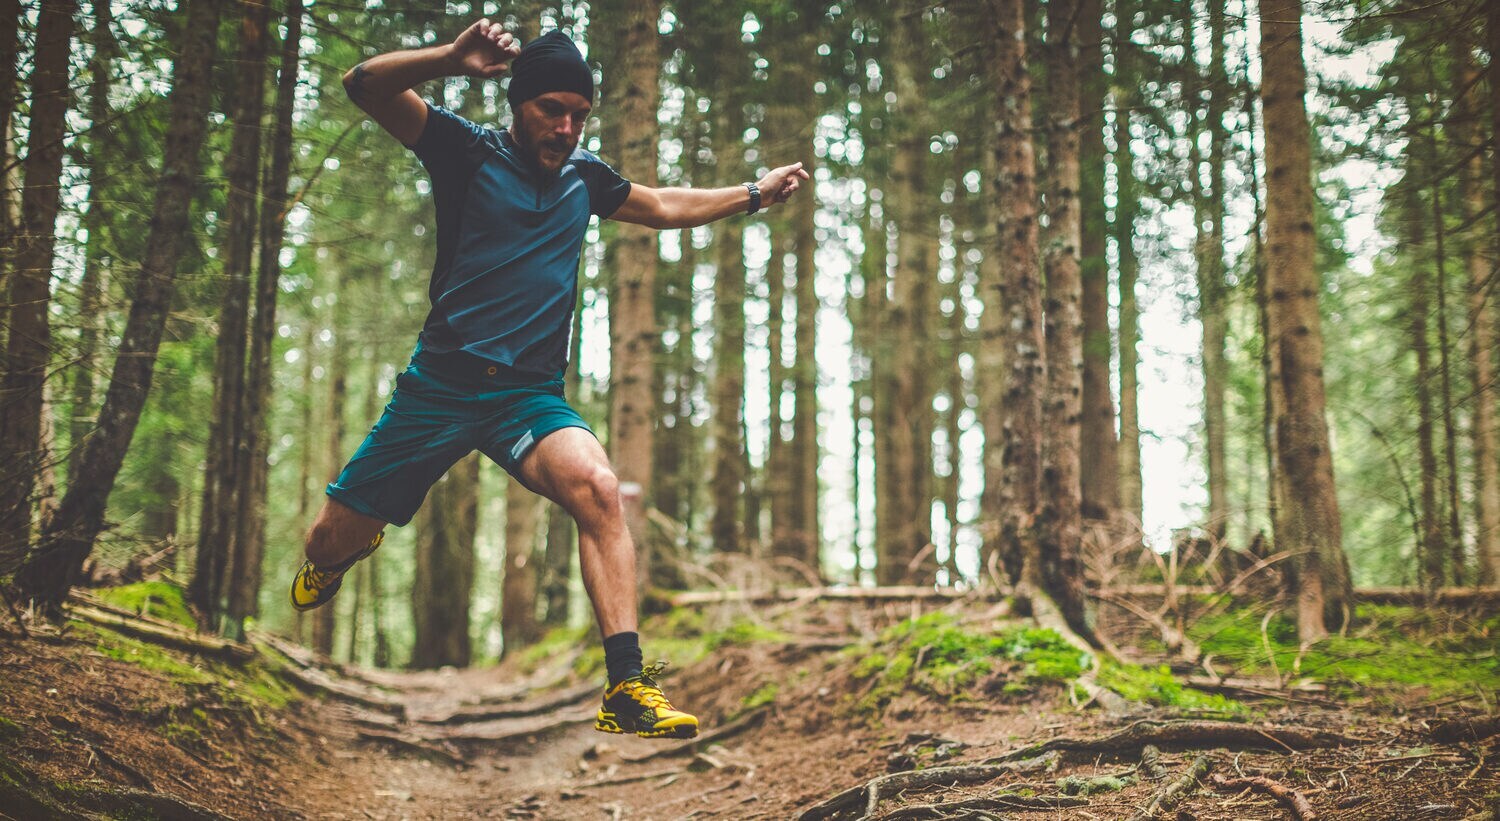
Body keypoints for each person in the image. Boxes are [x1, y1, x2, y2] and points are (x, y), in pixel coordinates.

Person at [287, 20, 808, 741]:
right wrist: (450, 59)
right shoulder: (465, 151)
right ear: (518, 103)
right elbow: (364, 85)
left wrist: (754, 192)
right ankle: (344, 551)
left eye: (579, 115)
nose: (565, 128)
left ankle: (626, 685)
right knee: (325, 542)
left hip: (526, 397)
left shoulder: (585, 178)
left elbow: (661, 205)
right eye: (551, 109)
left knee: (598, 486)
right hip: (439, 387)